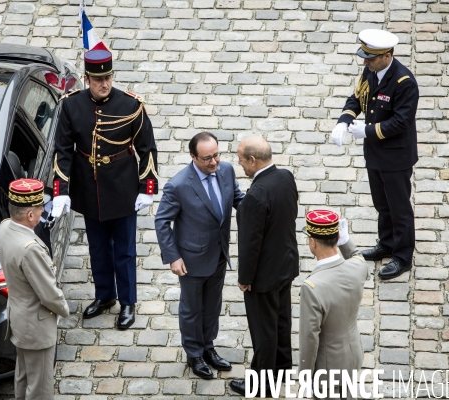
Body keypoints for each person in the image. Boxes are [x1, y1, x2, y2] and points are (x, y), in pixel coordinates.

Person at [50, 49, 159, 328]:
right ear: (87, 79)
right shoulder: (71, 105)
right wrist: (60, 189)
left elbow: (146, 147)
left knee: (124, 249)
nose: (105, 84)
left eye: (108, 77)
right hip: (89, 186)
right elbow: (62, 149)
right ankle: (105, 295)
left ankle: (128, 302)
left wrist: (147, 187)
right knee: (97, 247)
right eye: (98, 79)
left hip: (122, 186)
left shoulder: (131, 106)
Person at [330, 29, 419, 280]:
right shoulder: (371, 70)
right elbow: (357, 99)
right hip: (375, 152)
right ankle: (387, 243)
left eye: (370, 58)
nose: (365, 62)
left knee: (399, 207)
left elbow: (401, 121)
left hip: (396, 155)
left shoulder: (404, 82)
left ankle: (402, 256)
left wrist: (368, 131)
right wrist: (344, 121)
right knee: (382, 203)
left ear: (387, 56)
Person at [155, 132, 244, 379]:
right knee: (192, 309)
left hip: (218, 254)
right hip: (191, 259)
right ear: (193, 157)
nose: (214, 162)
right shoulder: (179, 185)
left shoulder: (226, 170)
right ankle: (194, 353)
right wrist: (173, 257)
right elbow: (162, 221)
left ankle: (208, 347)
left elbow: (238, 199)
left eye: (216, 155)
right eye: (207, 158)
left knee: (212, 306)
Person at [230, 136, 299, 396]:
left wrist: (245, 278)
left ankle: (262, 385)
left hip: (264, 276)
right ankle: (281, 368)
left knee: (264, 331)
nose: (241, 166)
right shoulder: (286, 177)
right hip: (286, 264)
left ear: (253, 160)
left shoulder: (255, 196)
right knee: (281, 321)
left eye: (241, 160)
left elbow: (250, 245)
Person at [0, 179, 70, 400]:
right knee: (40, 388)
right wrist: (64, 309)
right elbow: (48, 294)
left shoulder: (5, 227)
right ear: (30, 215)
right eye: (40, 209)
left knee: (24, 377)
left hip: (19, 319)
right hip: (36, 326)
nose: (41, 213)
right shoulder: (30, 250)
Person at [299, 210, 369, 399]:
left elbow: (309, 339)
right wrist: (346, 242)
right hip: (354, 352)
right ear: (337, 237)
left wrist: (305, 377)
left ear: (313, 242)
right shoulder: (358, 268)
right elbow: (356, 256)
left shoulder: (312, 288)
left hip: (328, 368)